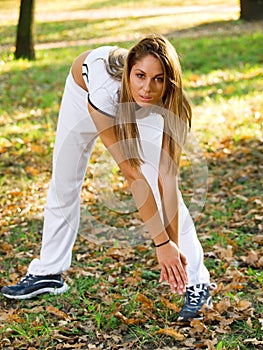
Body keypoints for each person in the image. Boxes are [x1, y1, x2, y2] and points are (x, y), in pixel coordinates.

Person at [1, 34, 214, 322]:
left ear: (169, 82)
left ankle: (196, 282)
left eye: (158, 79)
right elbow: (131, 174)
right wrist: (160, 245)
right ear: (128, 72)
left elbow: (168, 181)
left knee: (158, 179)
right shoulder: (104, 92)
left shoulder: (167, 105)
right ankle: (48, 272)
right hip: (83, 95)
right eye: (140, 75)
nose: (147, 87)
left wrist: (172, 246)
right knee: (65, 180)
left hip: (128, 105)